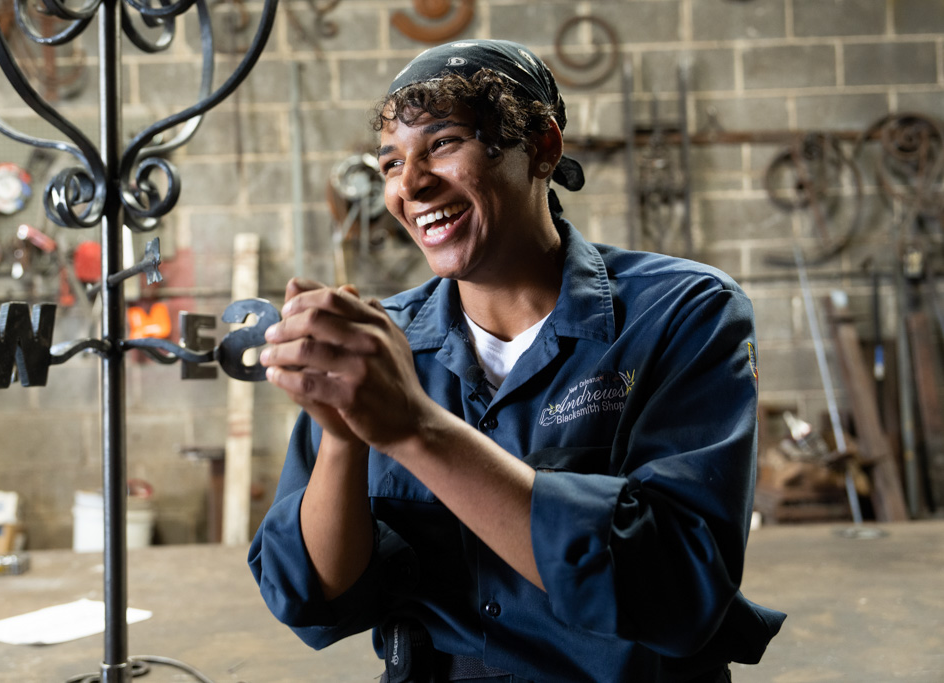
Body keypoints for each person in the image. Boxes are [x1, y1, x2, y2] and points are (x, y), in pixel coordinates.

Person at [248, 39, 784, 683]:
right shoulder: (380, 344)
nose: (410, 184)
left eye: (443, 144)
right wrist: (342, 437)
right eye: (391, 161)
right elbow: (311, 596)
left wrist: (415, 431)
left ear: (543, 147)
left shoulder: (682, 312)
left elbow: (681, 587)